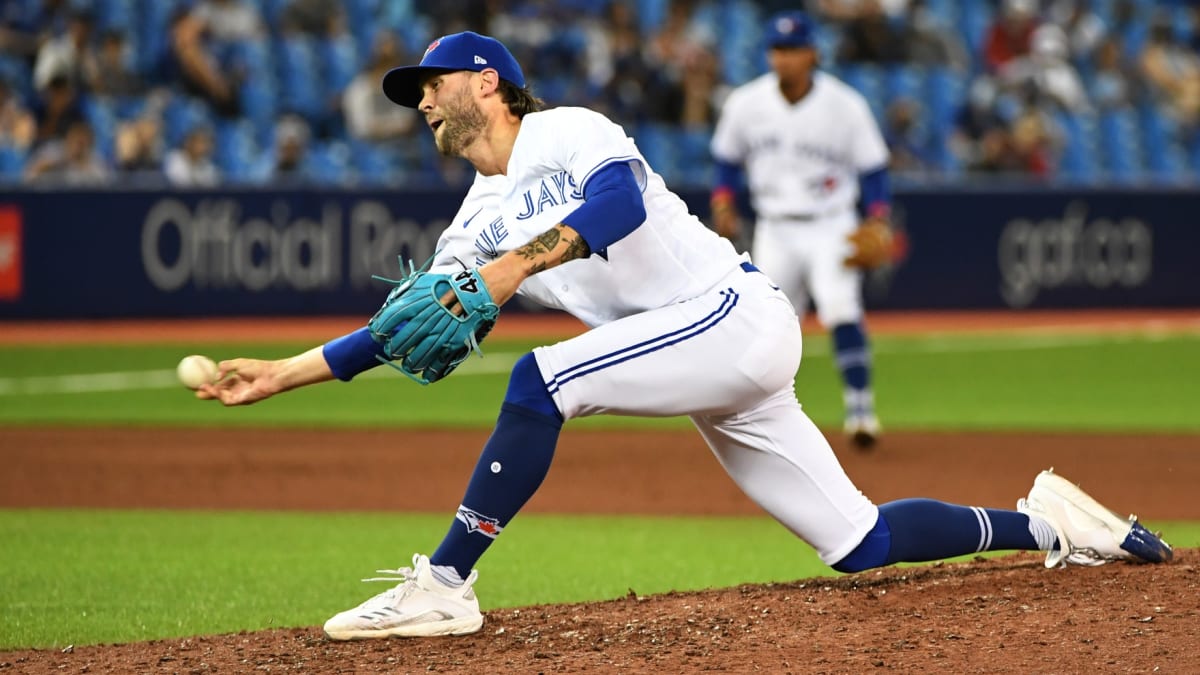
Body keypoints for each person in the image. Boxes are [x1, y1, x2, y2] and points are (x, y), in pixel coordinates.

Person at [197, 30, 1173, 641]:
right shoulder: (472, 221)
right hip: (709, 359)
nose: (421, 100)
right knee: (859, 541)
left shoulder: (566, 131)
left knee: (543, 380)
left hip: (727, 315)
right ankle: (1059, 526)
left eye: (433, 83)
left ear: (487, 83)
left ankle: (446, 583)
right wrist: (284, 374)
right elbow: (405, 323)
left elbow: (617, 203)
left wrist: (522, 265)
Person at [709, 11, 890, 448]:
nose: (783, 59)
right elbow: (726, 160)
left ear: (813, 53)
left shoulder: (846, 106)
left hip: (832, 224)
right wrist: (723, 200)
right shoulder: (746, 104)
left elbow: (873, 169)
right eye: (777, 50)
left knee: (841, 310)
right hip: (775, 227)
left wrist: (878, 216)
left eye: (792, 50)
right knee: (766, 324)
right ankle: (756, 417)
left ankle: (861, 408)